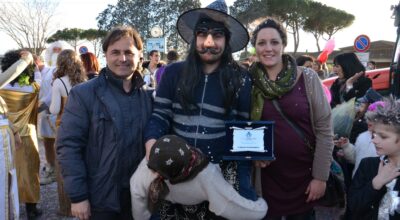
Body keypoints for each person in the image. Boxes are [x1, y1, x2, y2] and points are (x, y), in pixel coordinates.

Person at [143, 0, 254, 218]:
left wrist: (244, 183)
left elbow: (242, 130)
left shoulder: (240, 78)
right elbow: (160, 116)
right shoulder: (173, 73)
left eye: (217, 35)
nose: (208, 42)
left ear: (227, 40)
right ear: (195, 38)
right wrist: (151, 146)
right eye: (202, 34)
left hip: (219, 175)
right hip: (173, 171)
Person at [56, 26, 153, 220]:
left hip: (139, 198)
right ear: (106, 55)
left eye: (128, 52)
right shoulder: (83, 94)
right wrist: (78, 196)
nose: (122, 59)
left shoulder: (147, 97)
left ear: (139, 55)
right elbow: (69, 146)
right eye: (115, 52)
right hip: (100, 199)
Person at [249, 17, 334, 219]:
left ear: (283, 45)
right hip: (265, 181)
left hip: (304, 180)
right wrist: (253, 155)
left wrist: (320, 177)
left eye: (274, 42)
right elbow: (243, 126)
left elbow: (324, 130)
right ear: (255, 48)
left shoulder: (307, 77)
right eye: (261, 43)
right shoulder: (248, 81)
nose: (268, 48)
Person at [130, 135, 268, 220]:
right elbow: (137, 193)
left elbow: (233, 205)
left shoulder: (208, 177)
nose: (155, 174)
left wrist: (260, 208)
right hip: (162, 208)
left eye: (160, 173)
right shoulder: (150, 164)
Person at [0, 50, 42, 219]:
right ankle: (31, 209)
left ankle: (10, 206)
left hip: (7, 135)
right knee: (30, 172)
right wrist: (33, 65)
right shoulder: (32, 88)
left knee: (9, 172)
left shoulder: (2, 89)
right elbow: (39, 78)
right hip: (28, 134)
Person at [348, 98, 400, 219]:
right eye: (374, 134)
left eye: (383, 136)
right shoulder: (368, 165)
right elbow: (352, 207)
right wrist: (375, 184)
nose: (374, 140)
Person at [50, 49, 87, 216]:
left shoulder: (59, 83)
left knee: (64, 167)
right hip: (84, 129)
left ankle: (66, 209)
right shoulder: (84, 81)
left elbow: (55, 109)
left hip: (64, 128)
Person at [335, 101, 383, 177]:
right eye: (367, 118)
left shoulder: (387, 141)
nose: (368, 121)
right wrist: (346, 146)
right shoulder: (362, 136)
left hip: (376, 184)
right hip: (357, 182)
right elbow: (355, 158)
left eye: (373, 119)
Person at [33, 54, 57, 185]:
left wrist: (37, 109)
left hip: (55, 113)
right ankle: (51, 169)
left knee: (59, 144)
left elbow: (53, 93)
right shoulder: (31, 76)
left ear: (36, 61)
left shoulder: (53, 70)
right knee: (47, 143)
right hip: (44, 114)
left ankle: (59, 172)